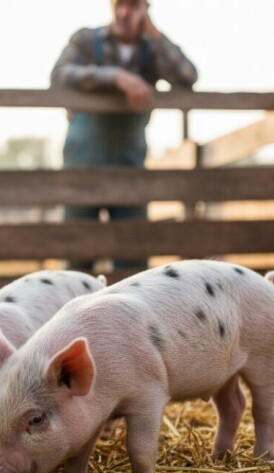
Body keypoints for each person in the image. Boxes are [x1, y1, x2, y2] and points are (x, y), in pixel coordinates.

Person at [51, 0, 197, 271]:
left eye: (132, 5)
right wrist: (116, 77)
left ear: (145, 8)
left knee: (132, 254)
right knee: (77, 253)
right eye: (118, 4)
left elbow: (188, 76)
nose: (122, 12)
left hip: (130, 164)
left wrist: (154, 33)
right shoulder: (85, 40)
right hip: (82, 165)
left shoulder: (151, 50)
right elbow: (60, 75)